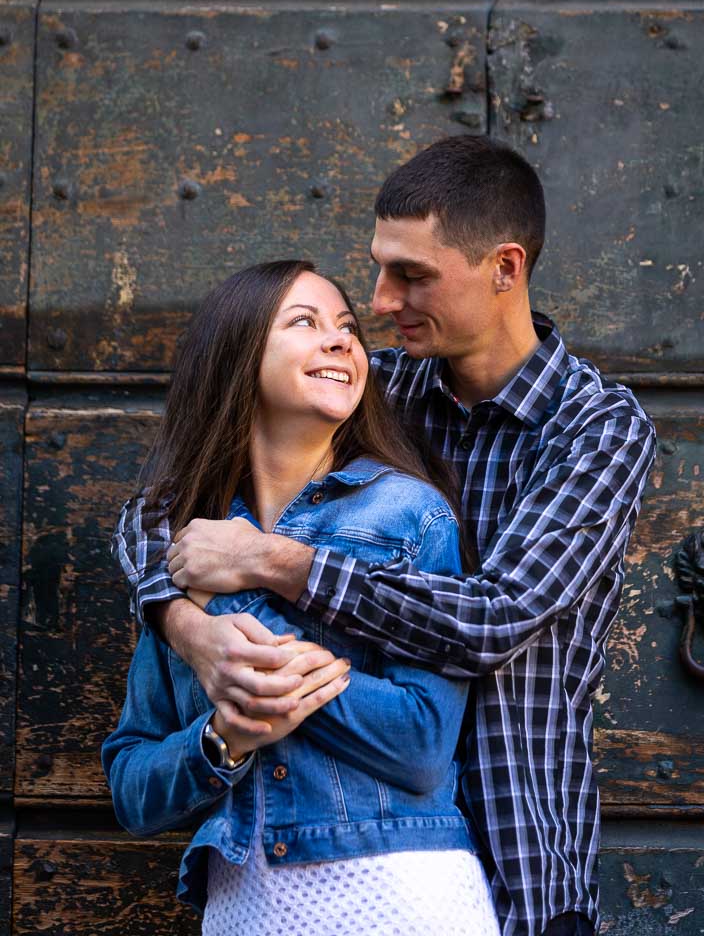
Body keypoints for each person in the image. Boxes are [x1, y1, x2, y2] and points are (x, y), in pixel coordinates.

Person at [113, 136, 657, 936]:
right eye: (378, 268)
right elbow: (159, 514)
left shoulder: (596, 429)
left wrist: (270, 564)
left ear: (505, 268)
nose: (378, 300)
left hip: (516, 847)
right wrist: (185, 624)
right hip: (303, 849)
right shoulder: (376, 383)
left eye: (412, 275)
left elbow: (493, 618)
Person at [103, 259, 501, 936]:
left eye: (346, 327)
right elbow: (132, 786)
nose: (343, 340)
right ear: (238, 355)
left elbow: (423, 744)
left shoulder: (411, 516)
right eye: (305, 323)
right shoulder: (184, 548)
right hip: (245, 906)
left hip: (405, 896)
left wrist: (250, 647)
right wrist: (222, 739)